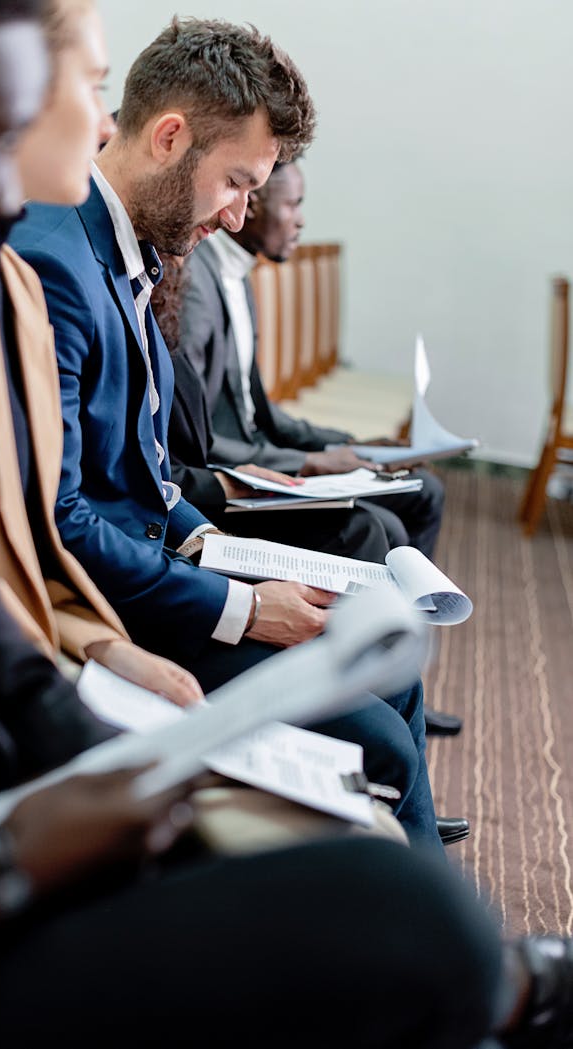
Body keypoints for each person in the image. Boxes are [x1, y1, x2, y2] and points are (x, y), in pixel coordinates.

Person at [0, 5, 572, 1047]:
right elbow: (49, 532)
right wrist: (4, 852)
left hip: (13, 758)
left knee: (374, 702)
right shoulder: (42, 263)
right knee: (410, 899)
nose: (6, 195)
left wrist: (101, 760)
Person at [8, 16, 460, 848]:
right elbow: (63, 518)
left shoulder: (123, 246)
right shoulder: (55, 261)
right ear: (170, 137)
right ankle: (445, 942)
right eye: (238, 183)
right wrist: (242, 607)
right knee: (382, 737)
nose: (242, 212)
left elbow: (148, 474)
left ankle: (412, 864)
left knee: (380, 662)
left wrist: (224, 545)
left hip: (157, 572)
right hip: (111, 611)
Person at [0, 0, 203, 708]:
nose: (109, 124)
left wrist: (94, 643)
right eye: (93, 85)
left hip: (29, 655)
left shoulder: (13, 282)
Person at [173, 157, 462, 737]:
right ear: (250, 204)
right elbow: (197, 438)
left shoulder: (239, 275)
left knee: (414, 492)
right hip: (227, 478)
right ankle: (376, 696)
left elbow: (259, 406)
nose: (301, 221)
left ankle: (395, 685)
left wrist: (348, 445)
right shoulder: (197, 283)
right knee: (374, 530)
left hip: (254, 460)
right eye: (292, 204)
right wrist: (306, 462)